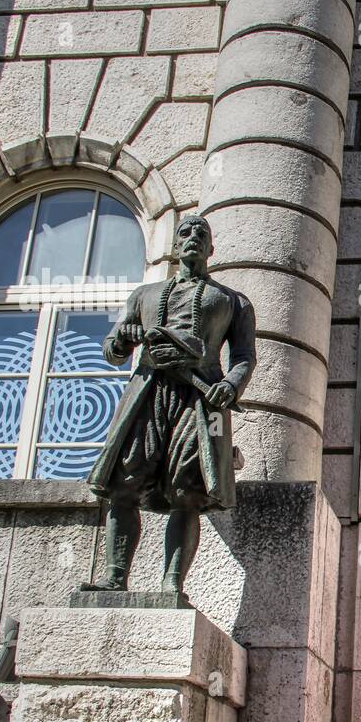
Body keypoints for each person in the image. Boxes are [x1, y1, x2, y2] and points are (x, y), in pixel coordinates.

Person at [81, 214, 256, 598]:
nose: (193, 238)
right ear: (176, 247)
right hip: (147, 394)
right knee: (124, 482)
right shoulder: (143, 295)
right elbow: (113, 349)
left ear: (211, 248)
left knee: (187, 489)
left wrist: (231, 384)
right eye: (185, 233)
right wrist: (123, 339)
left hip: (201, 400)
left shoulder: (232, 301)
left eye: (201, 234)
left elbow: (244, 356)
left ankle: (172, 583)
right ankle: (115, 577)